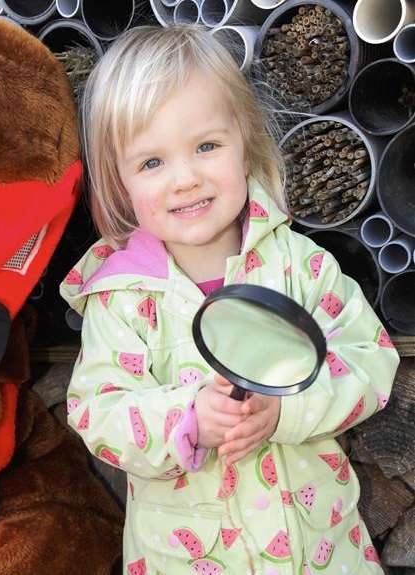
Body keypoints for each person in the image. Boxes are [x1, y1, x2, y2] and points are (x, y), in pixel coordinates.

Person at [59, 25, 400, 575]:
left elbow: (370, 357)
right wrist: (185, 417)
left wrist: (287, 408)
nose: (186, 179)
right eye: (152, 163)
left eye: (207, 147)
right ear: (118, 182)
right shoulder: (120, 296)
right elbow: (98, 411)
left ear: (245, 142)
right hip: (188, 557)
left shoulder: (297, 264)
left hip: (318, 553)